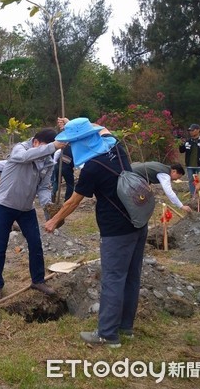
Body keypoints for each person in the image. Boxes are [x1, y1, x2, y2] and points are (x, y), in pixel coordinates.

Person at [44, 117, 148, 348]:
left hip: (116, 230)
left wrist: (54, 220)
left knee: (113, 279)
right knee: (131, 276)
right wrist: (74, 125)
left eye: (72, 142)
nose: (70, 146)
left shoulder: (92, 168)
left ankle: (107, 334)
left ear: (79, 143)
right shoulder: (116, 148)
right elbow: (104, 132)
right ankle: (125, 327)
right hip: (138, 222)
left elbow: (73, 201)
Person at [0, 128, 65, 301]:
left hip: (26, 208)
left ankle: (38, 280)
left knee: (35, 243)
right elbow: (24, 157)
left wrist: (49, 206)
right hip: (4, 204)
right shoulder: (20, 149)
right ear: (36, 142)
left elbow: (44, 188)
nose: (46, 153)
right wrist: (54, 146)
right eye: (46, 147)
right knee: (0, 246)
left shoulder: (48, 163)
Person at [178, 124, 200, 196]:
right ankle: (193, 195)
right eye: (190, 130)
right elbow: (182, 151)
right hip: (190, 165)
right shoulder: (188, 141)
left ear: (198, 130)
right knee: (191, 180)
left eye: (192, 130)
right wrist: (181, 144)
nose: (191, 132)